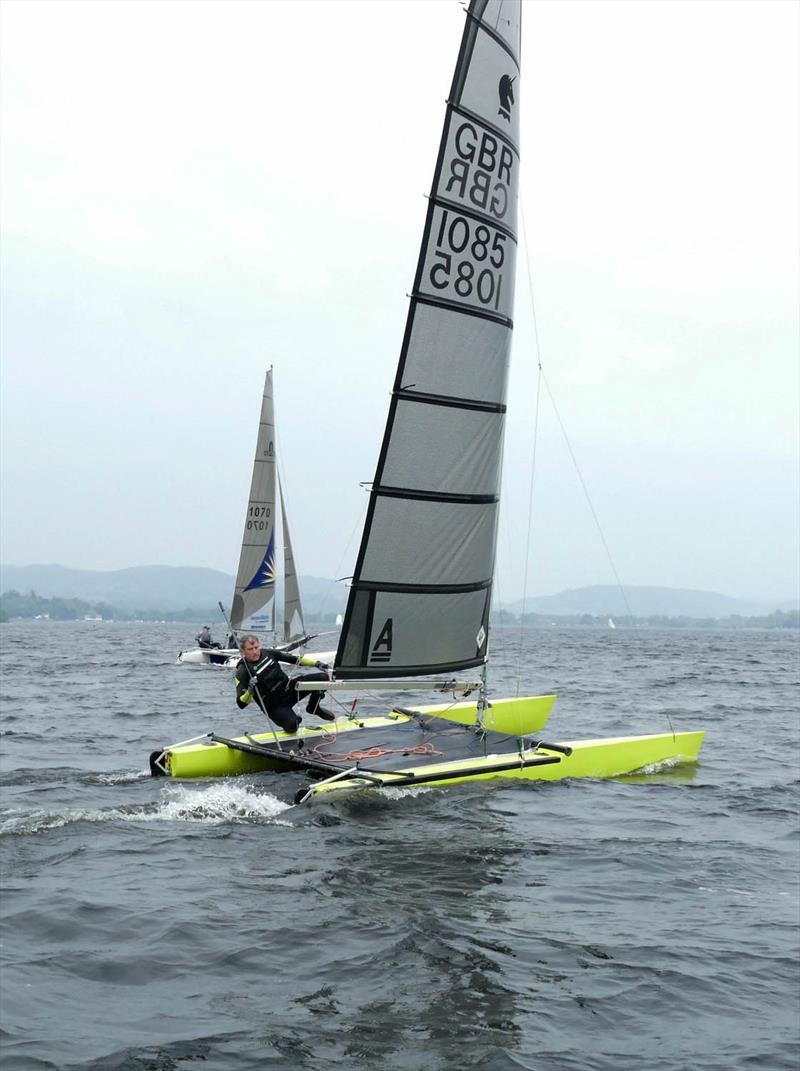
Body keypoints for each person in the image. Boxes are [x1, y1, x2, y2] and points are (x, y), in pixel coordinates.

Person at [234, 633, 335, 734]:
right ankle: (293, 719)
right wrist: (250, 691)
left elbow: (294, 659)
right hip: (274, 706)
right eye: (250, 649)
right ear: (242, 652)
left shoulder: (268, 653)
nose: (255, 652)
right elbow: (241, 704)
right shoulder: (242, 671)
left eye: (256, 647)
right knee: (292, 726)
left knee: (324, 678)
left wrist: (317, 664)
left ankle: (314, 707)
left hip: (289, 689)